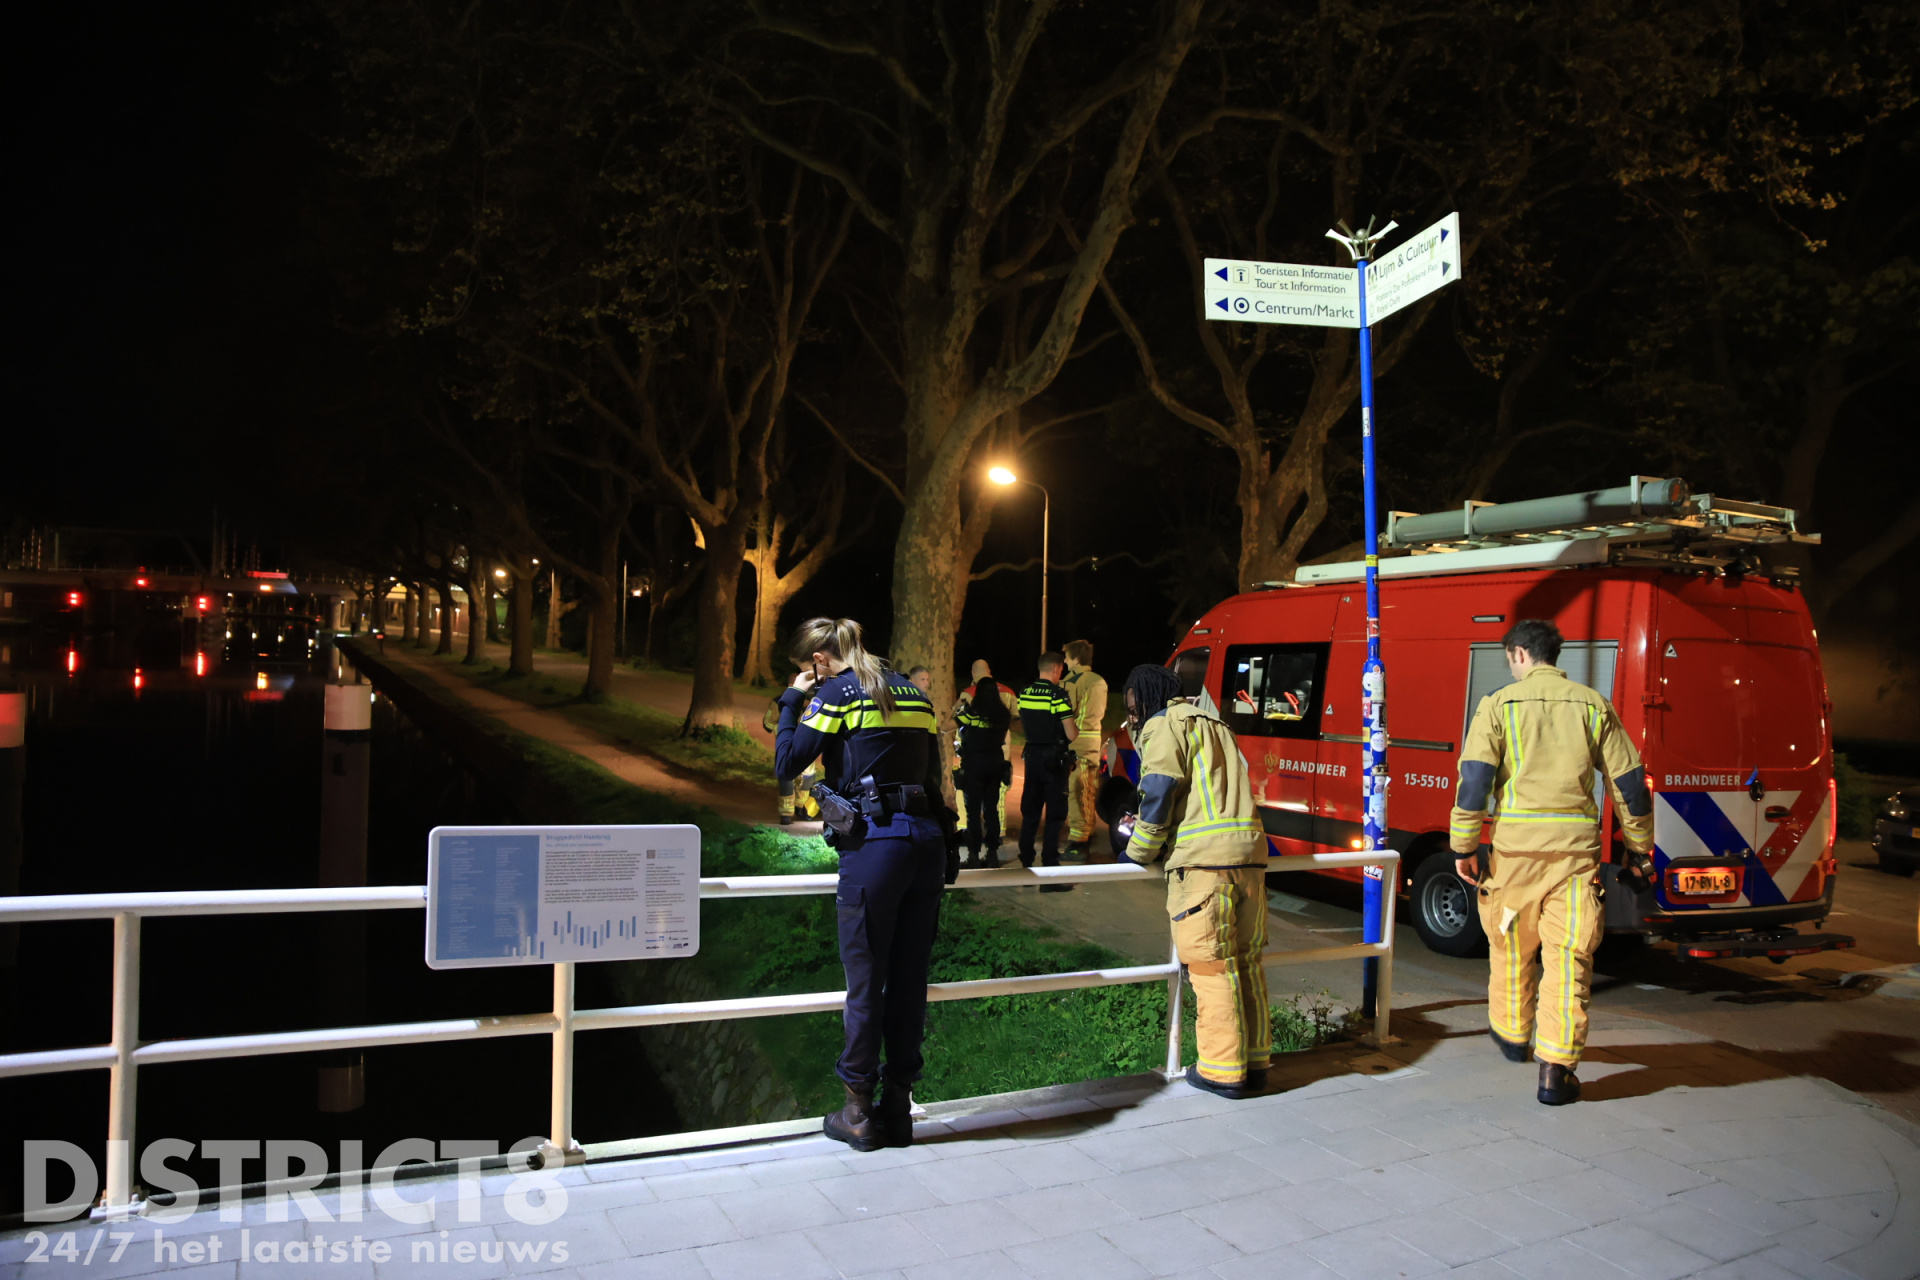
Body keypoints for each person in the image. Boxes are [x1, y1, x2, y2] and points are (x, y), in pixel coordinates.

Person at [1450, 619, 1655, 1106]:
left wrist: (1462, 846)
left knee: (1510, 947)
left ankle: (1511, 1034)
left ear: (1520, 654)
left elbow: (1475, 782)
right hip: (1576, 858)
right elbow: (1629, 784)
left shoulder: (1497, 706)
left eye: (1509, 660)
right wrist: (1639, 845)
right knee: (1568, 959)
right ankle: (1556, 1071)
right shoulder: (1593, 706)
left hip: (1515, 855)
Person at [775, 617, 957, 1150]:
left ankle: (857, 1110)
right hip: (926, 843)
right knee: (908, 981)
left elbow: (788, 762)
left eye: (808, 666)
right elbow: (932, 779)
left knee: (865, 982)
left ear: (820, 660)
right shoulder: (914, 693)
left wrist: (792, 700)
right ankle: (897, 1109)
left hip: (877, 847)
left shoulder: (837, 692)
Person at [1119, 664, 1271, 1099]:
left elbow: (1160, 789)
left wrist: (1137, 852)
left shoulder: (1164, 724)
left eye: (1134, 708)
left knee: (1212, 967)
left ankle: (1222, 1071)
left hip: (1204, 867)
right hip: (1251, 859)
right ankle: (1257, 1063)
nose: (1132, 719)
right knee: (1247, 966)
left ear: (1151, 698)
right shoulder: (1215, 723)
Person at [1016, 652, 1079, 890]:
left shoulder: (1024, 693)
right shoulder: (1058, 695)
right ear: (1056, 669)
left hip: (1031, 757)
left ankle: (1025, 870)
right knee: (1054, 817)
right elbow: (1071, 733)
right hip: (1054, 762)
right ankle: (1050, 873)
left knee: (1030, 814)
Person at [954, 668, 1013, 867]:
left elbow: (947, 725)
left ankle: (972, 855)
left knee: (973, 813)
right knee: (991, 810)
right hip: (995, 764)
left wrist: (958, 706)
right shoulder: (1002, 715)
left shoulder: (972, 714)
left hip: (974, 766)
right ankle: (993, 854)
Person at [1060, 640, 1110, 864]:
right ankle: (1087, 833)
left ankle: (1077, 844)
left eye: (1067, 658)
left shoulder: (1071, 682)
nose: (1064, 661)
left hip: (1075, 743)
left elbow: (1065, 714)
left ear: (1076, 659)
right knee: (1088, 790)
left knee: (1075, 792)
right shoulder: (1100, 681)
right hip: (1093, 741)